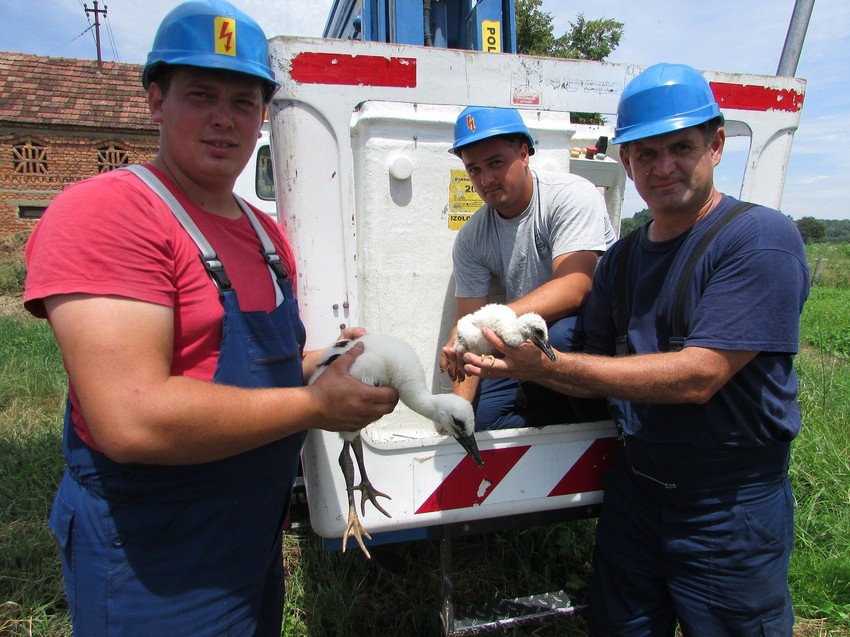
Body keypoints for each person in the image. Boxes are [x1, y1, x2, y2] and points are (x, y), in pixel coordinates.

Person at [23, 2, 398, 635]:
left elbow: (255, 367)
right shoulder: (111, 214)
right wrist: (316, 407)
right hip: (153, 553)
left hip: (251, 541)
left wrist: (330, 362)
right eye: (201, 95)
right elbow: (131, 419)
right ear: (155, 99)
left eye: (244, 102)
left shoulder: (264, 233)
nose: (225, 119)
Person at [460, 62, 809, 635]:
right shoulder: (621, 259)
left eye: (681, 147)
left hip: (726, 500)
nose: (663, 166)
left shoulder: (759, 239)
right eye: (645, 153)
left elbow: (700, 375)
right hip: (636, 486)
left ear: (716, 145)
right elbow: (588, 368)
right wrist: (519, 368)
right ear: (625, 161)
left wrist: (549, 365)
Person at [440, 106, 615, 430]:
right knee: (484, 419)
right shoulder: (471, 238)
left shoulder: (571, 196)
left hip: (588, 335)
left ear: (524, 153)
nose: (486, 179)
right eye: (474, 169)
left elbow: (575, 287)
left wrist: (485, 322)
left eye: (495, 163)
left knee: (560, 335)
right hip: (523, 338)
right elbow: (466, 323)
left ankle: (601, 435)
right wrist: (458, 410)